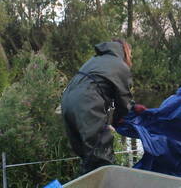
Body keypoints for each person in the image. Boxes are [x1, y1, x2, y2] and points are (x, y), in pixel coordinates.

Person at [60, 39, 146, 174]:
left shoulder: (94, 61)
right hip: (87, 103)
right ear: (125, 51)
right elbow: (123, 103)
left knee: (87, 156)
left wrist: (130, 107)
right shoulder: (120, 66)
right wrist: (120, 120)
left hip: (67, 102)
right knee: (101, 158)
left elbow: (102, 89)